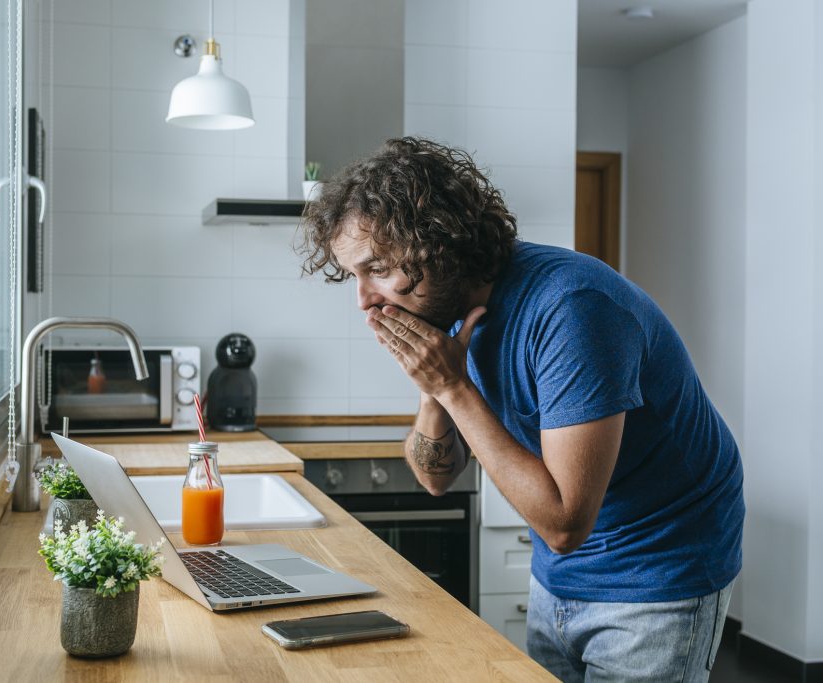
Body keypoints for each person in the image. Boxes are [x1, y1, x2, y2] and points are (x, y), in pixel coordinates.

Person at [299, 137, 744, 682]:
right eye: (354, 276)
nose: (365, 300)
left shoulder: (572, 309)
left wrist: (453, 386)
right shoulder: (452, 314)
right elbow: (435, 478)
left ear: (440, 243)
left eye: (378, 269)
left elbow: (563, 524)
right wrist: (435, 387)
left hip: (657, 571)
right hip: (559, 575)